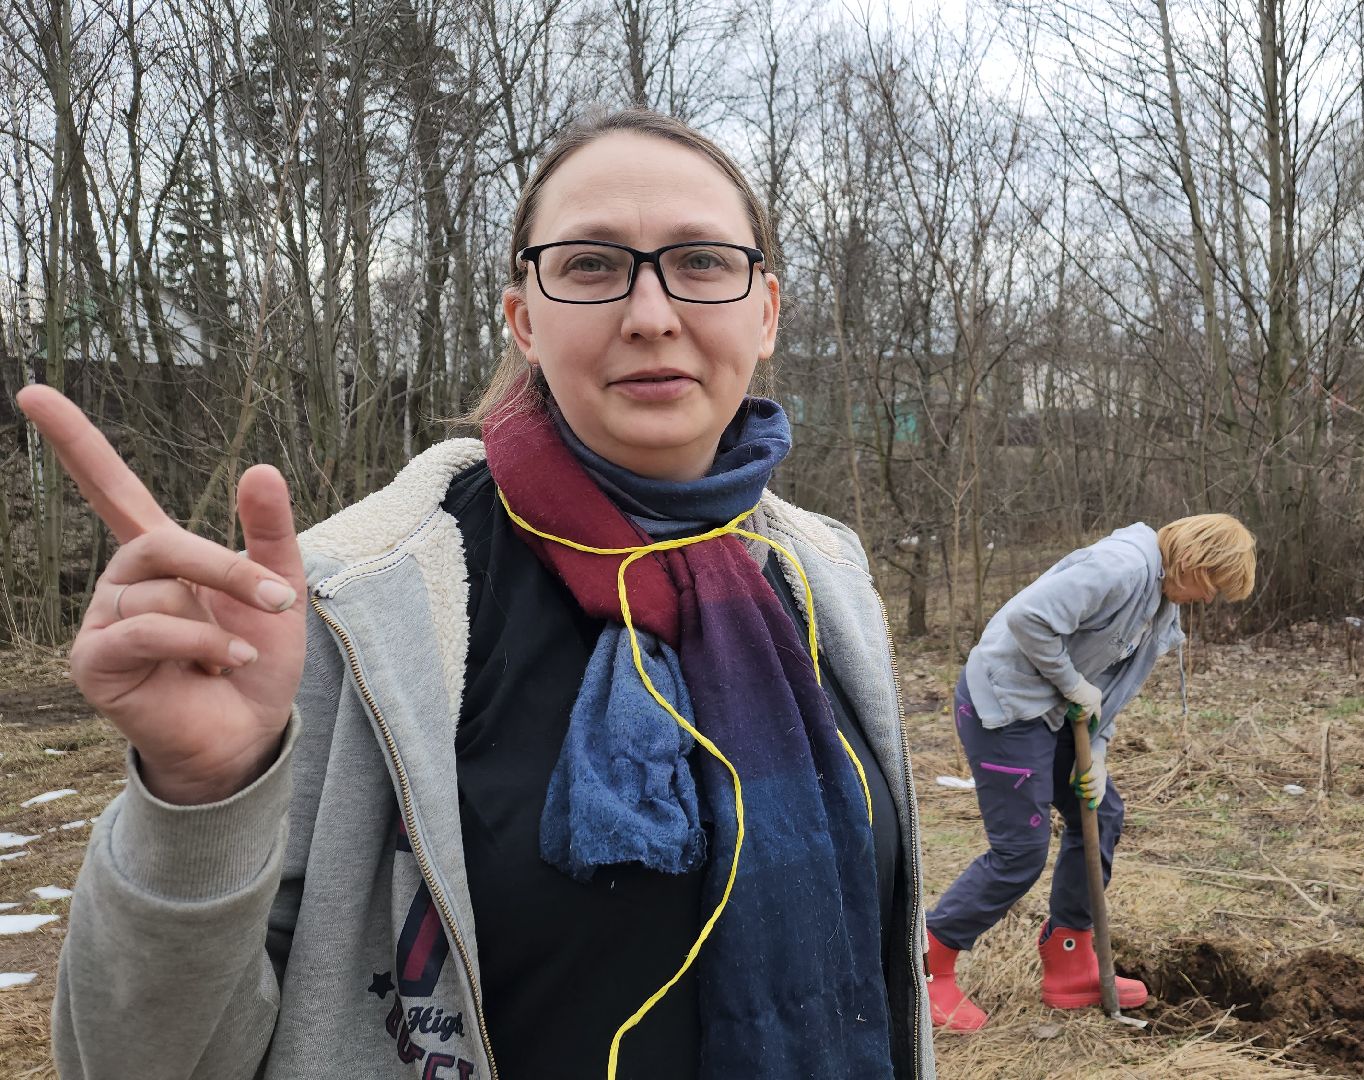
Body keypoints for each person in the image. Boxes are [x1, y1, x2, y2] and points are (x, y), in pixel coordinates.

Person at [26, 107, 932, 1080]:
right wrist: (198, 800)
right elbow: (129, 1061)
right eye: (590, 264)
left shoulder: (819, 575)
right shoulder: (346, 609)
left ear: (765, 311)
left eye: (702, 261)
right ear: (522, 319)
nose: (652, 313)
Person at [923, 515, 1255, 1031]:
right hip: (1007, 705)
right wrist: (1071, 682)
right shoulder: (1119, 567)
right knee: (1020, 853)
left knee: (1100, 812)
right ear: (1194, 559)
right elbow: (1030, 619)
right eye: (1211, 585)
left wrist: (1097, 749)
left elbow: (1110, 691)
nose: (1208, 600)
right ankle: (927, 962)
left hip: (1054, 715)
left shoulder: (1161, 608)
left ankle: (1070, 958)